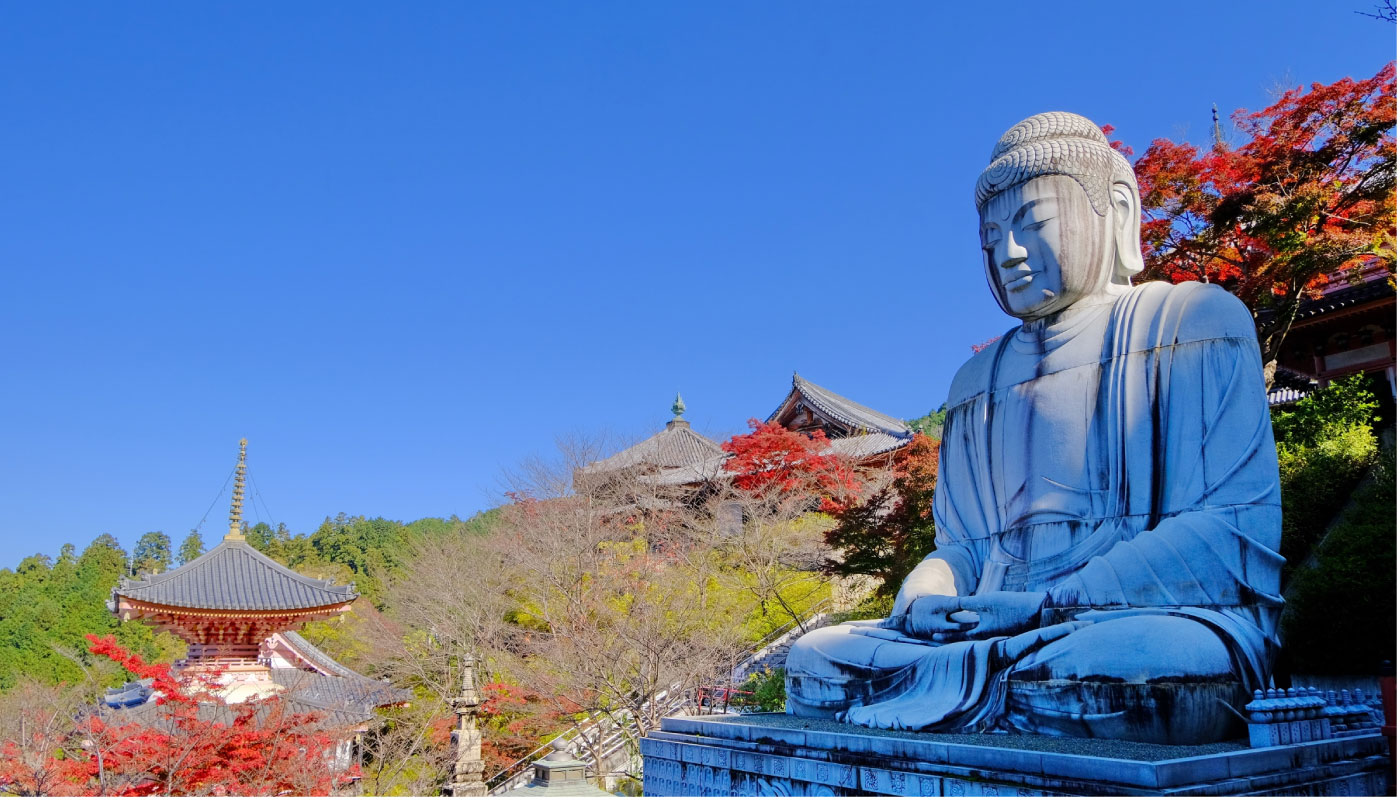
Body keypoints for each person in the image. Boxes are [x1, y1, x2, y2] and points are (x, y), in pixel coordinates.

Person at [784, 112, 1284, 744]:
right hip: (987, 627)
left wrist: (1053, 604)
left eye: (1034, 224)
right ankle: (1000, 690)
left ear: (1118, 211)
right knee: (814, 659)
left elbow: (1235, 527)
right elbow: (965, 547)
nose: (1009, 252)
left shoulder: (1190, 321)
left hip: (1129, 617)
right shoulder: (976, 382)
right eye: (991, 236)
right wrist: (925, 596)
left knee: (1139, 666)